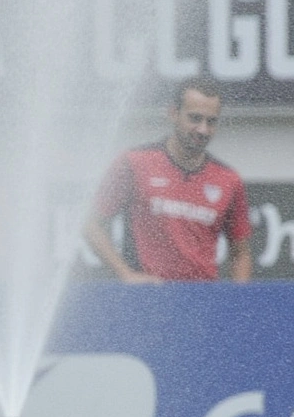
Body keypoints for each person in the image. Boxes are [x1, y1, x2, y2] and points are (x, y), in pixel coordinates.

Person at [84, 76, 252, 283]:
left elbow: (241, 254)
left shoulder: (228, 179)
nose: (203, 129)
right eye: (195, 118)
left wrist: (238, 302)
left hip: (202, 303)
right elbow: (92, 225)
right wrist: (125, 274)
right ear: (173, 113)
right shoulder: (135, 162)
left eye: (211, 121)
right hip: (148, 297)